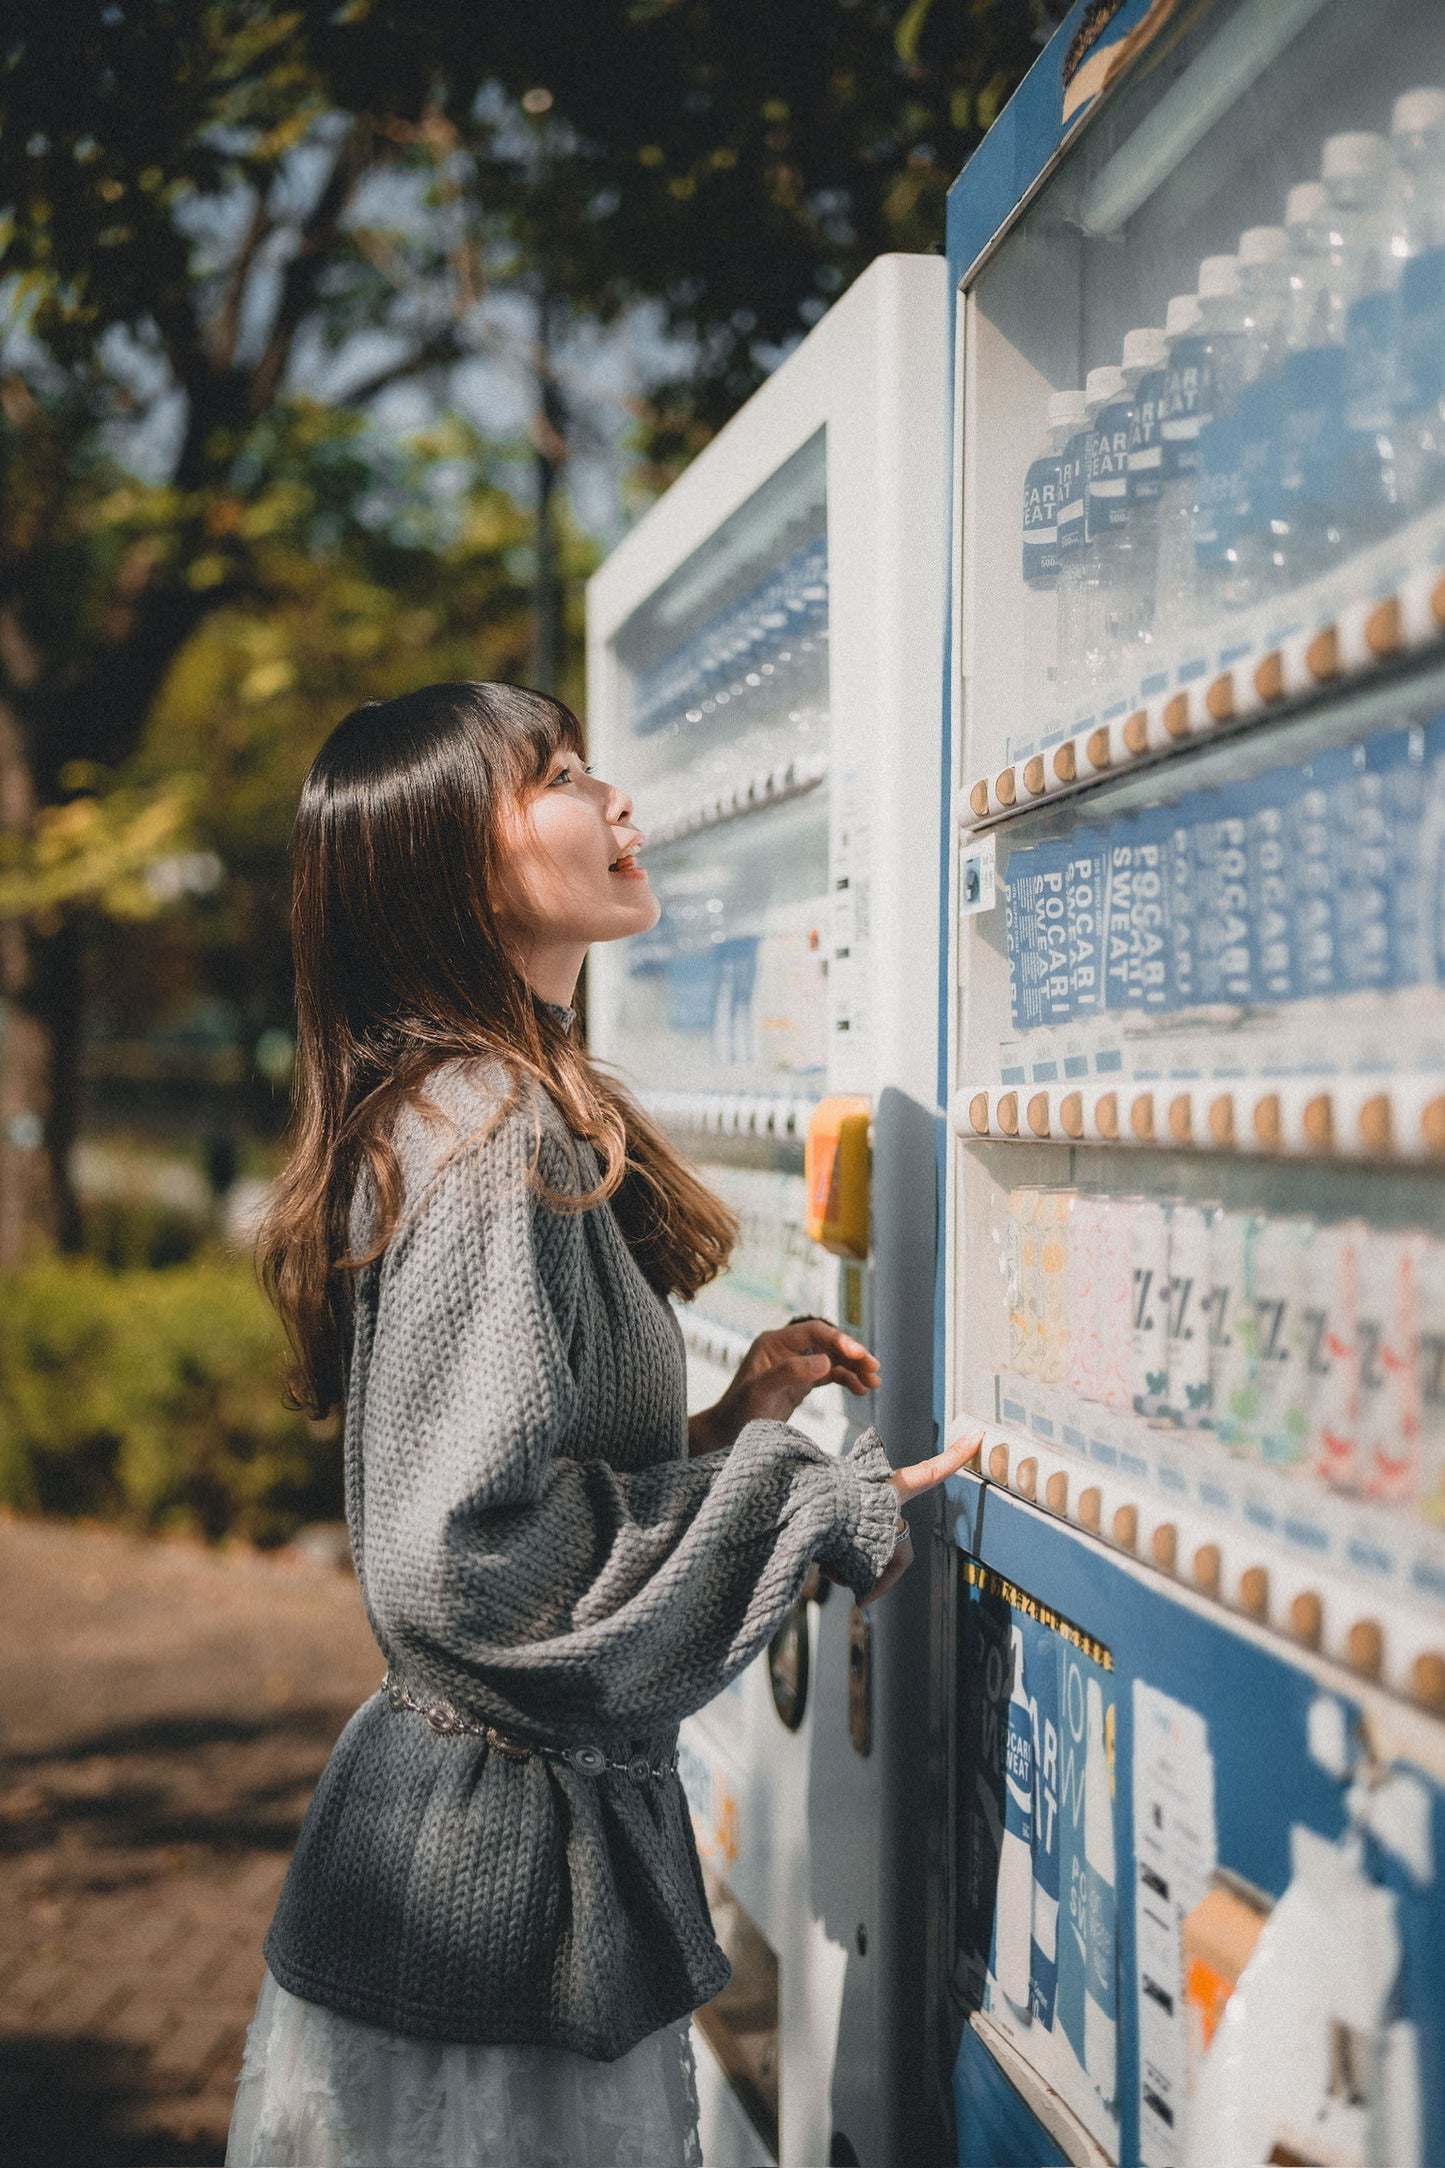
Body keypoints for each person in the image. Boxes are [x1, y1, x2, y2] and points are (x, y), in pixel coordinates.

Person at [228, 680, 979, 2167]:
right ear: (453, 864)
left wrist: (720, 1428)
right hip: (484, 1905)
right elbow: (461, 1562)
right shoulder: (482, 1123)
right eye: (564, 776)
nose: (617, 799)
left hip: (482, 1878)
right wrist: (786, 1500)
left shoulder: (496, 1104)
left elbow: (514, 1476)